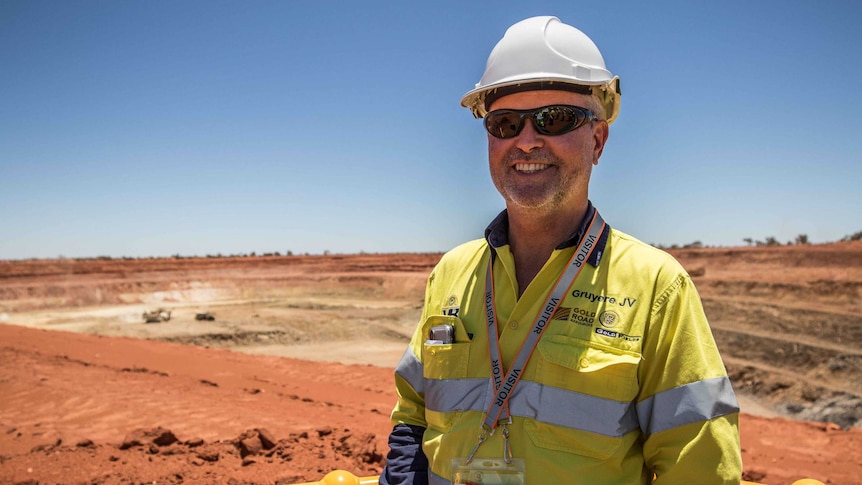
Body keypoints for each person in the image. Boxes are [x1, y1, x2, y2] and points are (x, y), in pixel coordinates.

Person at [379, 16, 742, 485]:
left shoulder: (657, 288)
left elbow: (700, 471)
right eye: (506, 123)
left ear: (597, 139)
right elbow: (413, 413)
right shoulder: (453, 272)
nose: (526, 140)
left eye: (555, 118)